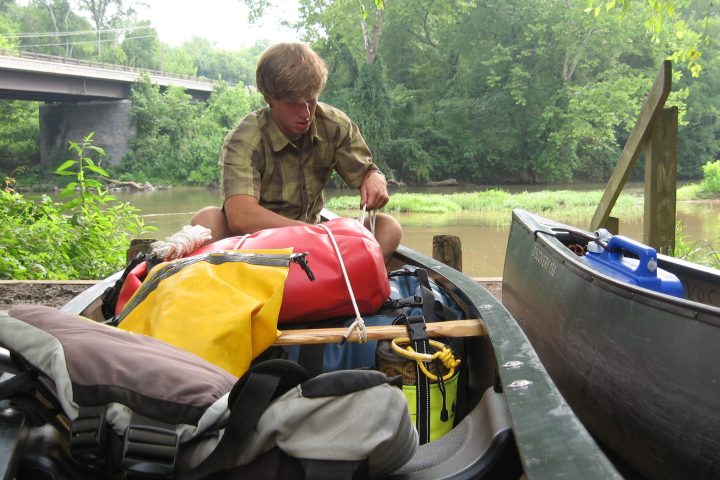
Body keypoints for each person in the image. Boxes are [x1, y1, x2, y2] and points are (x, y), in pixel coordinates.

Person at [191, 42, 402, 263]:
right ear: (269, 98)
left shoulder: (334, 125)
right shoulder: (245, 139)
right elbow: (241, 215)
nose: (306, 113)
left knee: (388, 229)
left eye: (311, 100)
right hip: (257, 245)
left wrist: (374, 178)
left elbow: (366, 172)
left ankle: (340, 284)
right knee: (207, 221)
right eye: (294, 104)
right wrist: (316, 235)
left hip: (313, 239)